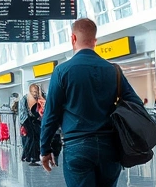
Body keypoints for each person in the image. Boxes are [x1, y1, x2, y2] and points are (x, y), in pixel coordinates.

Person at [39, 18, 143, 186]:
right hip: (110, 146)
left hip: (77, 146)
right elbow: (136, 103)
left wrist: (45, 149)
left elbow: (51, 114)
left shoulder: (62, 71)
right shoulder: (112, 70)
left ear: (73, 38)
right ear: (95, 41)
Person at [22, 83, 43, 165]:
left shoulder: (37, 99)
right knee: (32, 137)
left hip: (34, 120)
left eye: (36, 91)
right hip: (27, 120)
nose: (35, 93)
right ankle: (31, 157)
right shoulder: (25, 99)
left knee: (34, 138)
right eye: (34, 91)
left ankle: (29, 156)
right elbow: (24, 112)